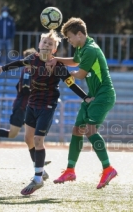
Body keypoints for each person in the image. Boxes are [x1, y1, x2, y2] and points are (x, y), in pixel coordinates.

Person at [0, 30, 93, 196]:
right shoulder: (33, 59)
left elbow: (71, 84)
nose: (46, 45)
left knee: (38, 139)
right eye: (44, 42)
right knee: (27, 138)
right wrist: (1, 68)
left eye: (50, 44)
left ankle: (37, 178)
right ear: (39, 45)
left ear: (54, 50)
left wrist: (86, 97)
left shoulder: (57, 66)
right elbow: (19, 63)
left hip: (47, 105)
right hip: (32, 103)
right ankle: (41, 170)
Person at [46, 17, 118, 189]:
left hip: (104, 96)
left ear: (79, 34)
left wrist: (62, 72)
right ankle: (70, 170)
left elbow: (80, 73)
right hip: (93, 96)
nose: (69, 41)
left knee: (89, 131)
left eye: (70, 37)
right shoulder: (82, 47)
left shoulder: (91, 50)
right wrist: (58, 60)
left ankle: (108, 168)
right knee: (77, 131)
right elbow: (76, 61)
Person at [0, 47, 51, 181]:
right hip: (23, 107)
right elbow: (27, 89)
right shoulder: (28, 70)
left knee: (26, 137)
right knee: (20, 135)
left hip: (26, 106)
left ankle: (39, 166)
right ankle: (39, 166)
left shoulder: (29, 70)